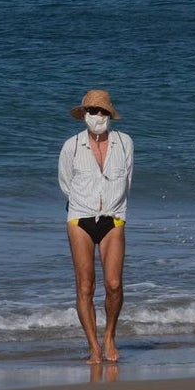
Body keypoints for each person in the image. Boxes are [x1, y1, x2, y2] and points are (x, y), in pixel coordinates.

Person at [58, 89, 133, 363]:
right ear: (84, 115)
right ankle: (94, 347)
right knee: (85, 286)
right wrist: (84, 205)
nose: (98, 116)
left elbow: (127, 182)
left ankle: (110, 336)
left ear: (110, 115)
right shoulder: (72, 146)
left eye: (103, 111)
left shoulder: (124, 143)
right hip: (80, 217)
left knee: (113, 284)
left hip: (114, 216)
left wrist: (112, 208)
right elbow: (66, 184)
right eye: (92, 111)